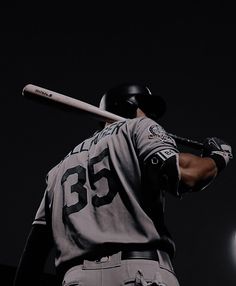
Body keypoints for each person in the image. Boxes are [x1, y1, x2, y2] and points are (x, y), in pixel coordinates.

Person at [14, 83, 233, 286]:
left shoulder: (58, 169)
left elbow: (32, 258)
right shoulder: (138, 127)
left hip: (76, 279)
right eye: (145, 108)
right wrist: (218, 157)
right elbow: (189, 175)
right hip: (138, 272)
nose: (149, 115)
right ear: (130, 105)